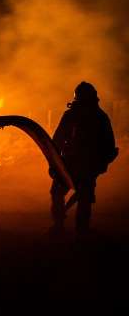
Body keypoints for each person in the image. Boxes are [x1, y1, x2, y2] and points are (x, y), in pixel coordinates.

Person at [50, 81, 118, 235]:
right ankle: (65, 227)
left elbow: (108, 146)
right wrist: (55, 164)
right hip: (72, 164)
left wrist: (99, 164)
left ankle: (73, 229)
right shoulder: (96, 117)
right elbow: (58, 140)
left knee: (80, 197)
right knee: (68, 194)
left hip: (82, 165)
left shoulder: (98, 118)